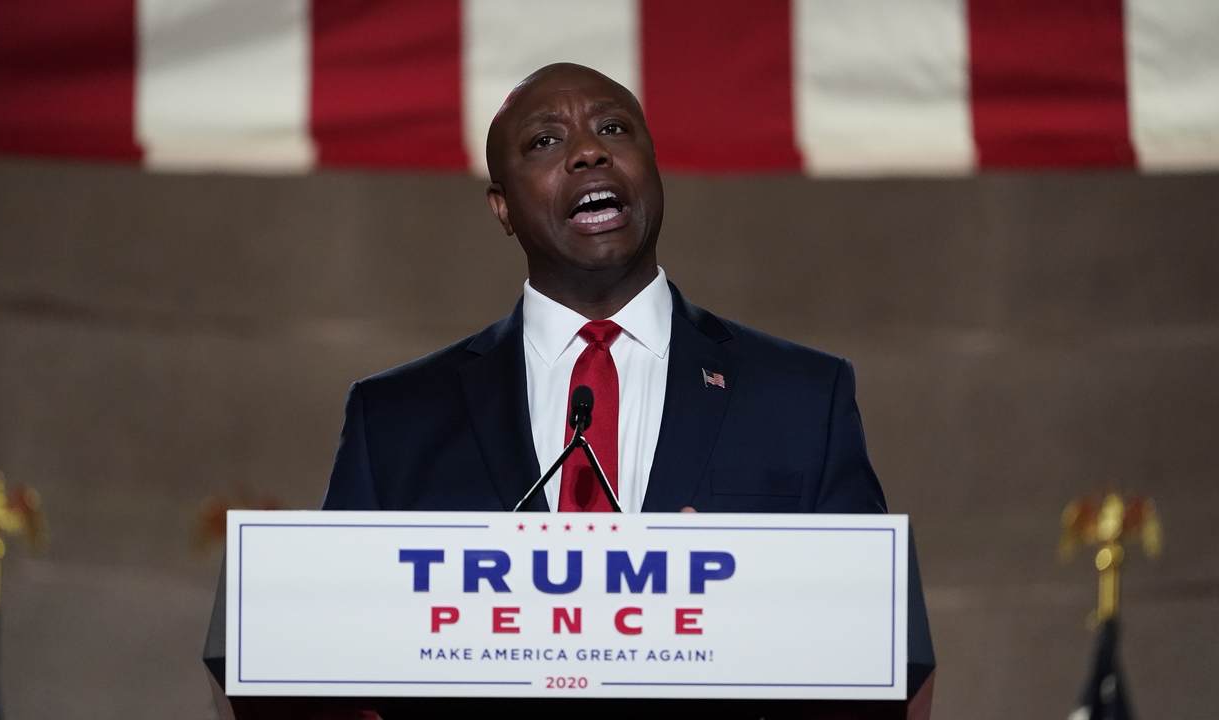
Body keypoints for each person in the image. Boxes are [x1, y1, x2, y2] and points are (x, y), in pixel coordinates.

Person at [321, 63, 886, 517]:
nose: (589, 152)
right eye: (545, 140)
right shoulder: (395, 418)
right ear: (503, 208)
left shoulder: (804, 398)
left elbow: (888, 644)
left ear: (654, 168)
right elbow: (328, 636)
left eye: (613, 129)